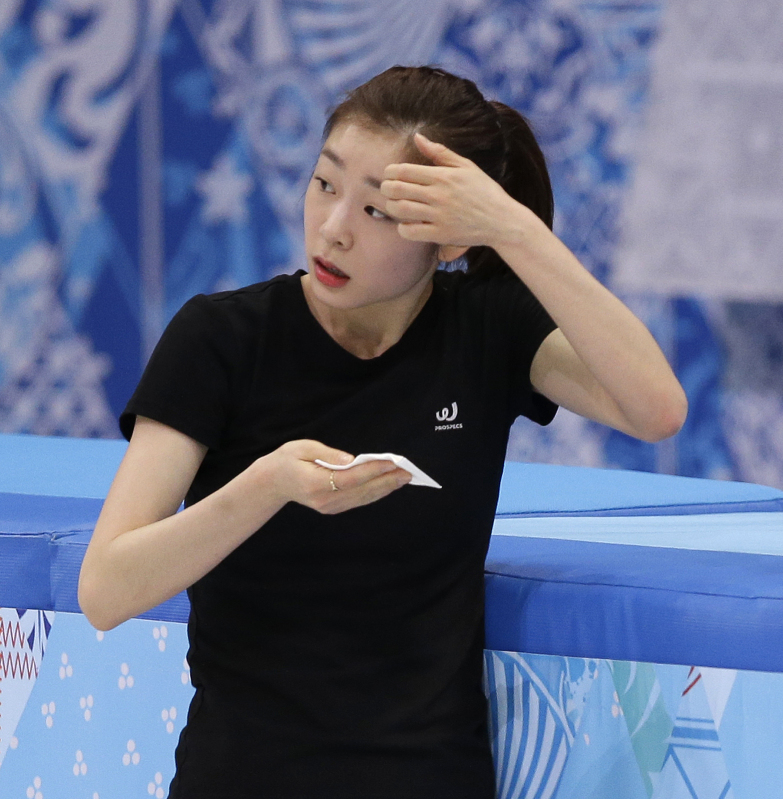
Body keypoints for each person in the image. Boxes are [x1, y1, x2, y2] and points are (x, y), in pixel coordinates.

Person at [78, 65, 687, 798]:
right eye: (325, 184)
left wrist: (511, 226)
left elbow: (656, 409)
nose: (333, 228)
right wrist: (270, 484)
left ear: (446, 237)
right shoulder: (222, 338)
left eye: (376, 211)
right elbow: (105, 588)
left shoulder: (487, 328)